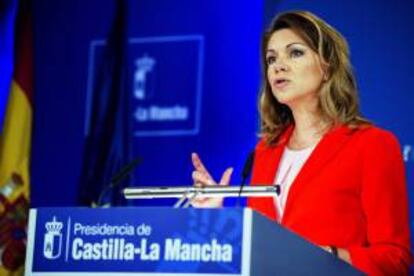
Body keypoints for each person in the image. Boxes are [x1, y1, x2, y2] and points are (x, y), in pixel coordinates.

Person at [191, 10, 411, 275]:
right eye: (271, 58)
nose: (278, 66)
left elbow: (395, 260)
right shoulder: (265, 151)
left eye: (295, 53)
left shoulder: (372, 144)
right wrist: (218, 214)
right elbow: (259, 251)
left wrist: (327, 255)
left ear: (327, 66)